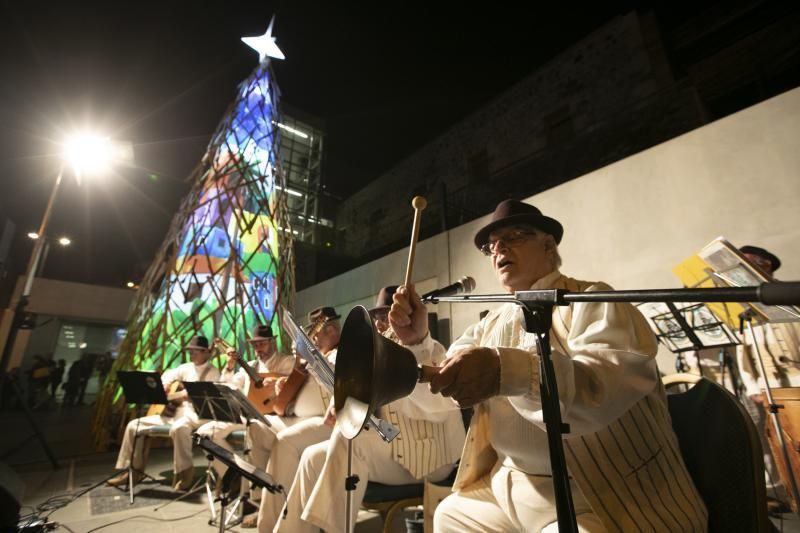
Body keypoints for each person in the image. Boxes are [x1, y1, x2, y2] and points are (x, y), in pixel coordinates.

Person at [390, 199, 708, 532]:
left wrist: (505, 371)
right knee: (451, 516)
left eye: (513, 236)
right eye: (492, 245)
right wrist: (417, 342)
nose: (499, 249)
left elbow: (599, 390)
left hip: (592, 493)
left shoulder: (592, 300)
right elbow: (441, 393)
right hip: (508, 486)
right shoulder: (490, 322)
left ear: (548, 244)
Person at [273, 286, 467, 533]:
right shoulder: (379, 357)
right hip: (396, 448)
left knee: (348, 441)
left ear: (406, 317)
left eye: (386, 317)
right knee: (313, 456)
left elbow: (440, 407)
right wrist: (341, 404)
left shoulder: (432, 351)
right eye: (376, 318)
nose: (379, 324)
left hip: (432, 457)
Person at [251, 306, 340, 530]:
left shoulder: (340, 354)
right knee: (257, 426)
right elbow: (295, 389)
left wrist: (311, 359)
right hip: (299, 418)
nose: (313, 338)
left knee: (285, 443)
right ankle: (262, 503)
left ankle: (270, 523)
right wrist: (286, 385)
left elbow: (336, 383)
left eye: (315, 333)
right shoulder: (317, 356)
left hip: (326, 421)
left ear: (330, 330)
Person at [194, 324, 297, 500]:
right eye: (255, 345)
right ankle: (234, 475)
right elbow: (226, 387)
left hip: (273, 417)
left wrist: (279, 380)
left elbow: (297, 380)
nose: (258, 349)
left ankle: (254, 496)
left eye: (262, 344)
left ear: (272, 342)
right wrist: (229, 366)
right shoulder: (248, 366)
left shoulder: (286, 362)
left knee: (254, 427)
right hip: (247, 415)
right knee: (205, 433)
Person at [107, 335, 220, 491]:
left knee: (179, 428)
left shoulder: (213, 372)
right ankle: (131, 472)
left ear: (206, 353)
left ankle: (184, 474)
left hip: (195, 415)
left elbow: (198, 394)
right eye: (191, 351)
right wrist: (165, 384)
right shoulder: (184, 367)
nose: (192, 354)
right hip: (172, 413)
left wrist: (176, 395)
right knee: (134, 426)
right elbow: (167, 376)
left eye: (197, 351)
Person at [735, 245, 799, 513]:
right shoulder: (745, 306)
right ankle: (793, 497)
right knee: (784, 446)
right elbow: (743, 353)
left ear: (766, 265)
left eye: (748, 263)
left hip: (796, 378)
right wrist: (753, 387)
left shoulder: (787, 295)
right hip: (769, 385)